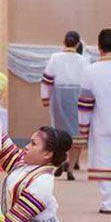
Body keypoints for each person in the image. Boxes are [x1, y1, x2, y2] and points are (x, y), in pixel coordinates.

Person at [78, 29, 111, 214]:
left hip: (100, 122)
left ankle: (108, 203)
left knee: (104, 161)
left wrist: (84, 127)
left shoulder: (90, 70)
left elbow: (85, 103)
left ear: (99, 47)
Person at [41, 31, 89, 180]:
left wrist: (45, 98)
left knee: (61, 131)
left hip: (59, 97)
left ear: (64, 42)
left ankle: (63, 160)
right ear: (77, 44)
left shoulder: (55, 58)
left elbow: (47, 79)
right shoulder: (83, 60)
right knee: (76, 133)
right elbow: (88, 81)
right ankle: (70, 167)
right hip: (77, 96)